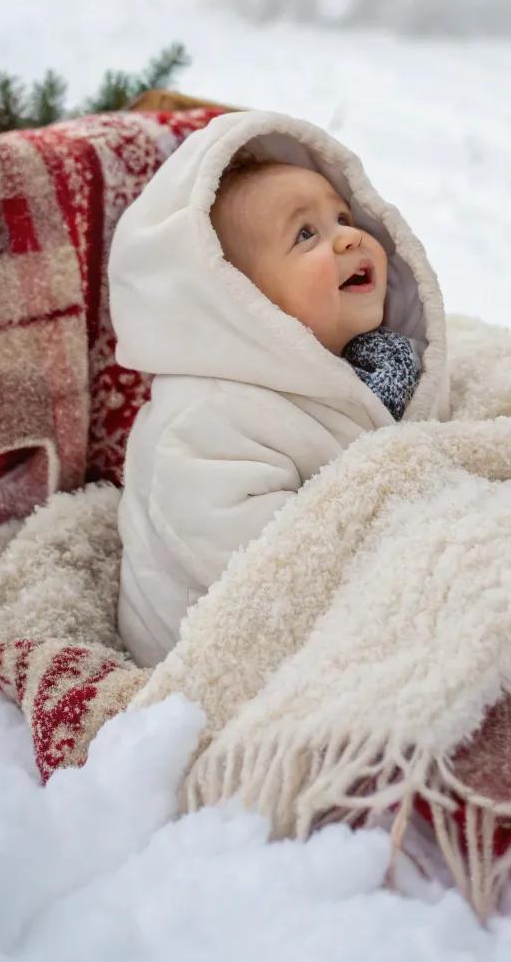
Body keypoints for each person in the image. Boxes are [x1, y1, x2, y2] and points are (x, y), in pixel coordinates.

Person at [107, 109, 450, 665]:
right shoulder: (206, 418)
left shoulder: (380, 363)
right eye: (306, 234)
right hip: (216, 648)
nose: (348, 238)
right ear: (238, 298)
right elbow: (255, 560)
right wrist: (405, 546)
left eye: (343, 217)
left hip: (347, 617)